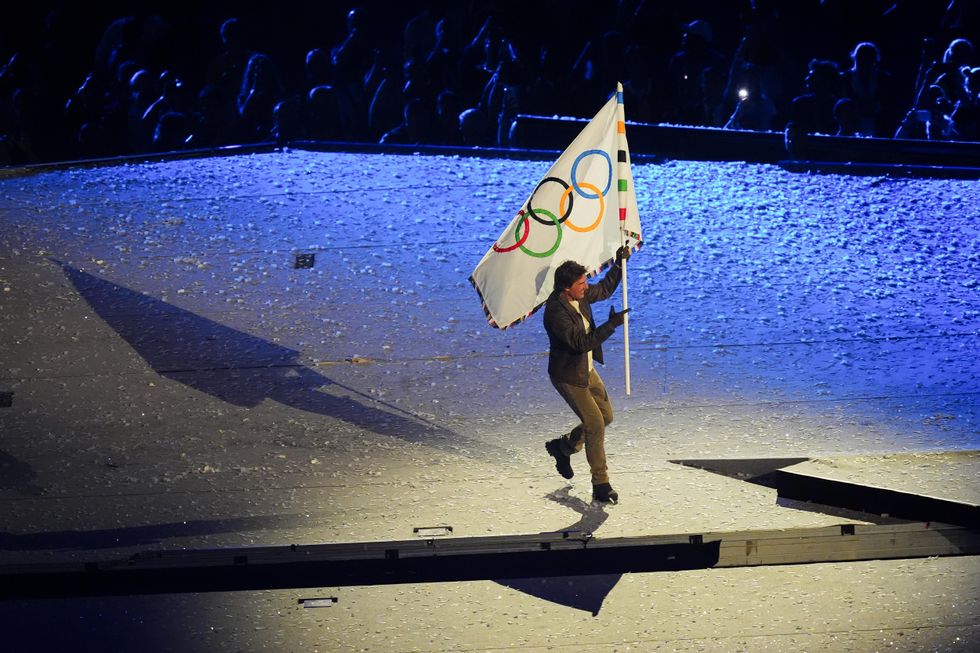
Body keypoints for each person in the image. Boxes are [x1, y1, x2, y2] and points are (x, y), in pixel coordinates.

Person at [543, 245, 631, 504]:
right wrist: (611, 326)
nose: (586, 286)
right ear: (566, 287)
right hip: (569, 377)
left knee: (606, 418)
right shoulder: (556, 312)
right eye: (581, 283)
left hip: (586, 369)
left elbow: (602, 290)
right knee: (594, 424)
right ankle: (601, 484)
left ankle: (564, 447)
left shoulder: (579, 295)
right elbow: (581, 343)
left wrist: (618, 265)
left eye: (585, 281)